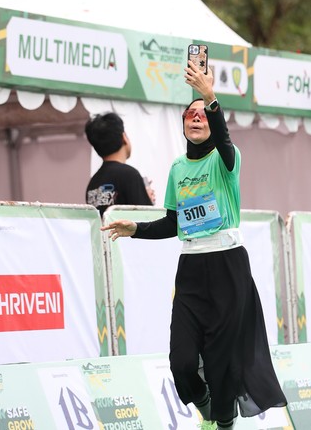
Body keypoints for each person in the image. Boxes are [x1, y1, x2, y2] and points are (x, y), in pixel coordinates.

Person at [101, 61, 287, 429]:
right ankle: (207, 408)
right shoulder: (177, 168)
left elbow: (226, 140)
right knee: (182, 362)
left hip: (228, 265)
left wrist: (209, 96)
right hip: (191, 270)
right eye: (190, 114)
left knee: (221, 363)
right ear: (183, 124)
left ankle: (223, 422)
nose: (196, 117)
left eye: (203, 114)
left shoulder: (226, 160)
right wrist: (135, 229)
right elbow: (174, 222)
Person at [85, 111, 155, 216]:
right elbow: (146, 218)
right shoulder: (129, 175)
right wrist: (146, 199)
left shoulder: (93, 183)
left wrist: (144, 196)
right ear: (124, 137)